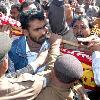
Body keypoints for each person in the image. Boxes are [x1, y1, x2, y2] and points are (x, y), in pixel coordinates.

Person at [7, 2, 61, 77]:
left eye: (44, 26)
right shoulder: (13, 50)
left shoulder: (53, 44)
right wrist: (37, 63)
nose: (43, 32)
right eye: (37, 29)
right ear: (25, 32)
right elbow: (10, 80)